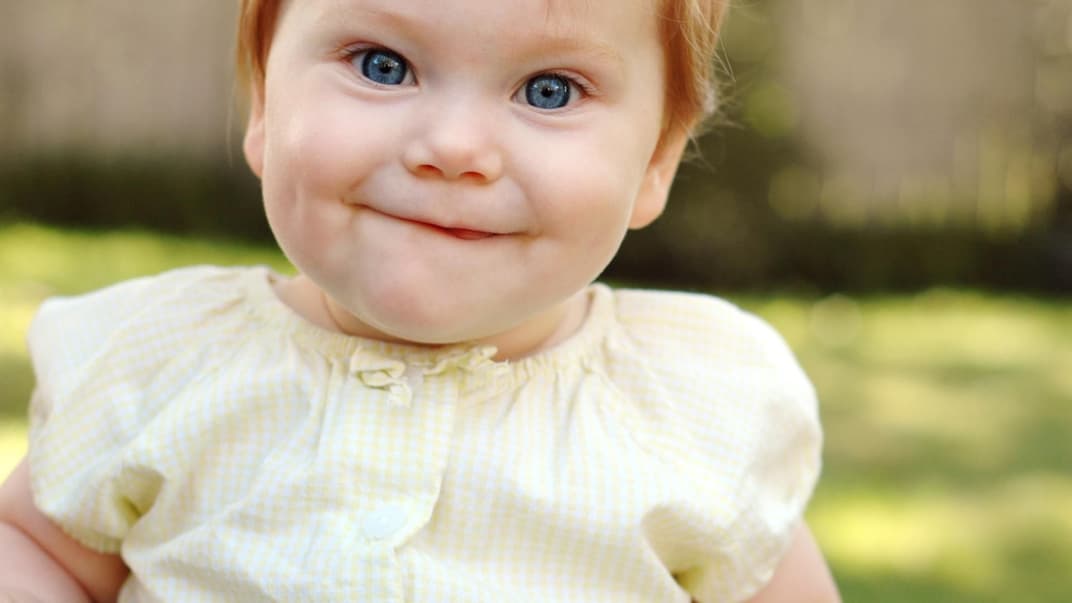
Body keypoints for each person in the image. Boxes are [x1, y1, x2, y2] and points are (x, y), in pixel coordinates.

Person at [0, 0, 841, 600]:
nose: (454, 148)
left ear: (656, 157)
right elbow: (32, 551)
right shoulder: (164, 361)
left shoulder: (693, 408)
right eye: (382, 65)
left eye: (549, 90)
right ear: (265, 100)